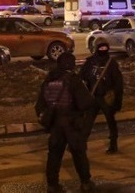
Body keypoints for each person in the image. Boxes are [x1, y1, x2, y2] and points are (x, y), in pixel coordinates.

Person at [36, 52, 96, 193]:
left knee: (54, 155)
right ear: (71, 64)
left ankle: (52, 185)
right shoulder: (73, 80)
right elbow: (84, 103)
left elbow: (40, 105)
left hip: (56, 125)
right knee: (79, 154)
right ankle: (85, 183)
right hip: (72, 124)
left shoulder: (49, 80)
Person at [80, 38, 123, 154]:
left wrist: (118, 101)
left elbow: (118, 83)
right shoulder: (90, 62)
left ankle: (113, 144)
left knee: (110, 121)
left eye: (105, 47)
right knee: (88, 122)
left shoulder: (111, 63)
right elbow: (82, 76)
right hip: (93, 97)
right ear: (96, 48)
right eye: (101, 47)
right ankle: (81, 144)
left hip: (106, 98)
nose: (103, 49)